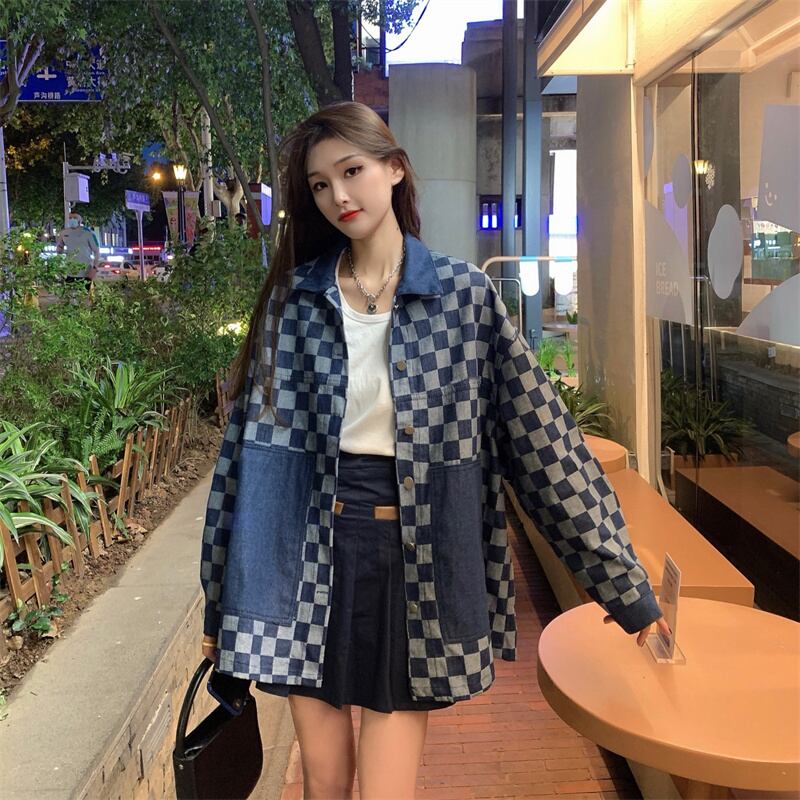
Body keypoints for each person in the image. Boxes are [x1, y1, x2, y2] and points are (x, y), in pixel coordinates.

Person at [199, 101, 670, 799]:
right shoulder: (292, 301)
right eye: (321, 184)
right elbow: (241, 462)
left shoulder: (464, 298)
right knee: (324, 780)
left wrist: (627, 590)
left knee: (386, 791)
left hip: (411, 557)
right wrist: (218, 601)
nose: (338, 196)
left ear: (395, 169)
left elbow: (546, 450)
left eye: (352, 171)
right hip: (298, 552)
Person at [56, 211, 100, 289]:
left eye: (75, 218)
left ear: (80, 220)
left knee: (83, 294)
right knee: (69, 294)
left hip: (85, 273)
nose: (72, 220)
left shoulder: (89, 233)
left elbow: (97, 251)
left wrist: (95, 268)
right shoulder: (64, 233)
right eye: (70, 218)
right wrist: (59, 251)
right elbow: (59, 247)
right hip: (69, 272)